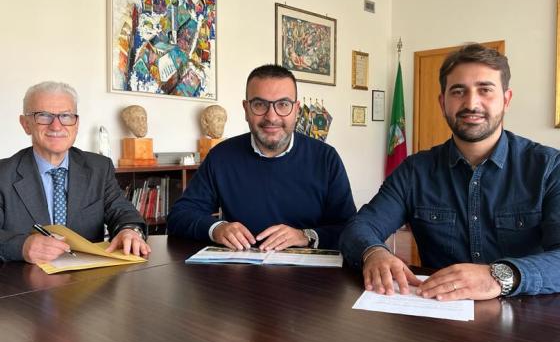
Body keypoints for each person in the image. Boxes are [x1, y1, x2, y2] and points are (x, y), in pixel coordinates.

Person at [341, 44, 560, 300]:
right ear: (442, 102)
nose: (471, 103)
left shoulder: (548, 168)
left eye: (485, 90)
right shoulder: (415, 171)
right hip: (437, 312)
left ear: (506, 99)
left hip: (527, 315)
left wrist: (499, 276)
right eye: (458, 91)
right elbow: (359, 227)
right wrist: (374, 252)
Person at [168, 64, 356, 250]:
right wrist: (216, 228)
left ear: (297, 110)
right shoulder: (221, 156)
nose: (271, 117)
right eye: (259, 104)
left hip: (309, 267)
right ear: (246, 109)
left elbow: (350, 228)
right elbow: (179, 216)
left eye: (283, 104)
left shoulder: (326, 158)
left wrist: (305, 236)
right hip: (239, 267)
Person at [0, 81, 151, 264]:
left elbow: (122, 211)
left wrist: (129, 230)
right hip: (21, 279)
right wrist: (21, 246)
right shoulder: (3, 174)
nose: (56, 126)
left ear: (76, 124)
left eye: (66, 116)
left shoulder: (99, 168)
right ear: (26, 124)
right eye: (44, 116)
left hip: (88, 277)